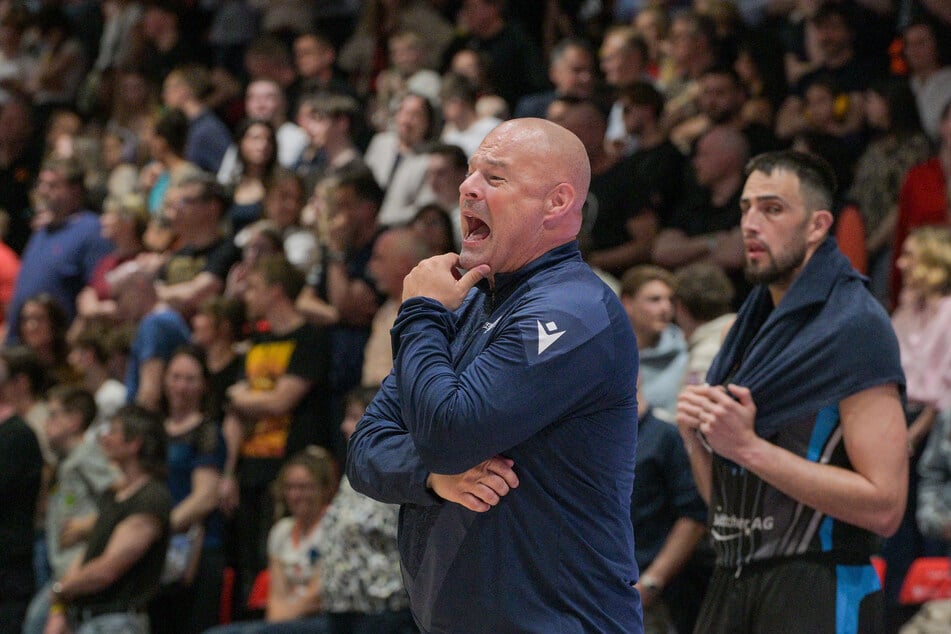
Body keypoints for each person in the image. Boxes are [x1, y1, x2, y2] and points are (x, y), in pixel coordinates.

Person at [347, 117, 643, 633]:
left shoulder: (572, 311)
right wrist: (433, 477)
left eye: (495, 177)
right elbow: (365, 449)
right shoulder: (459, 304)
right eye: (469, 172)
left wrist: (418, 314)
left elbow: (450, 435)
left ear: (556, 202)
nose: (468, 186)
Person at [676, 150, 908, 632]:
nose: (751, 224)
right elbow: (726, 506)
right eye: (745, 209)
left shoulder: (854, 327)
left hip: (819, 582)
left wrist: (748, 447)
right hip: (732, 575)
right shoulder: (747, 331)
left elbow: (885, 505)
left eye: (773, 209)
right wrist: (695, 439)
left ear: (818, 226)